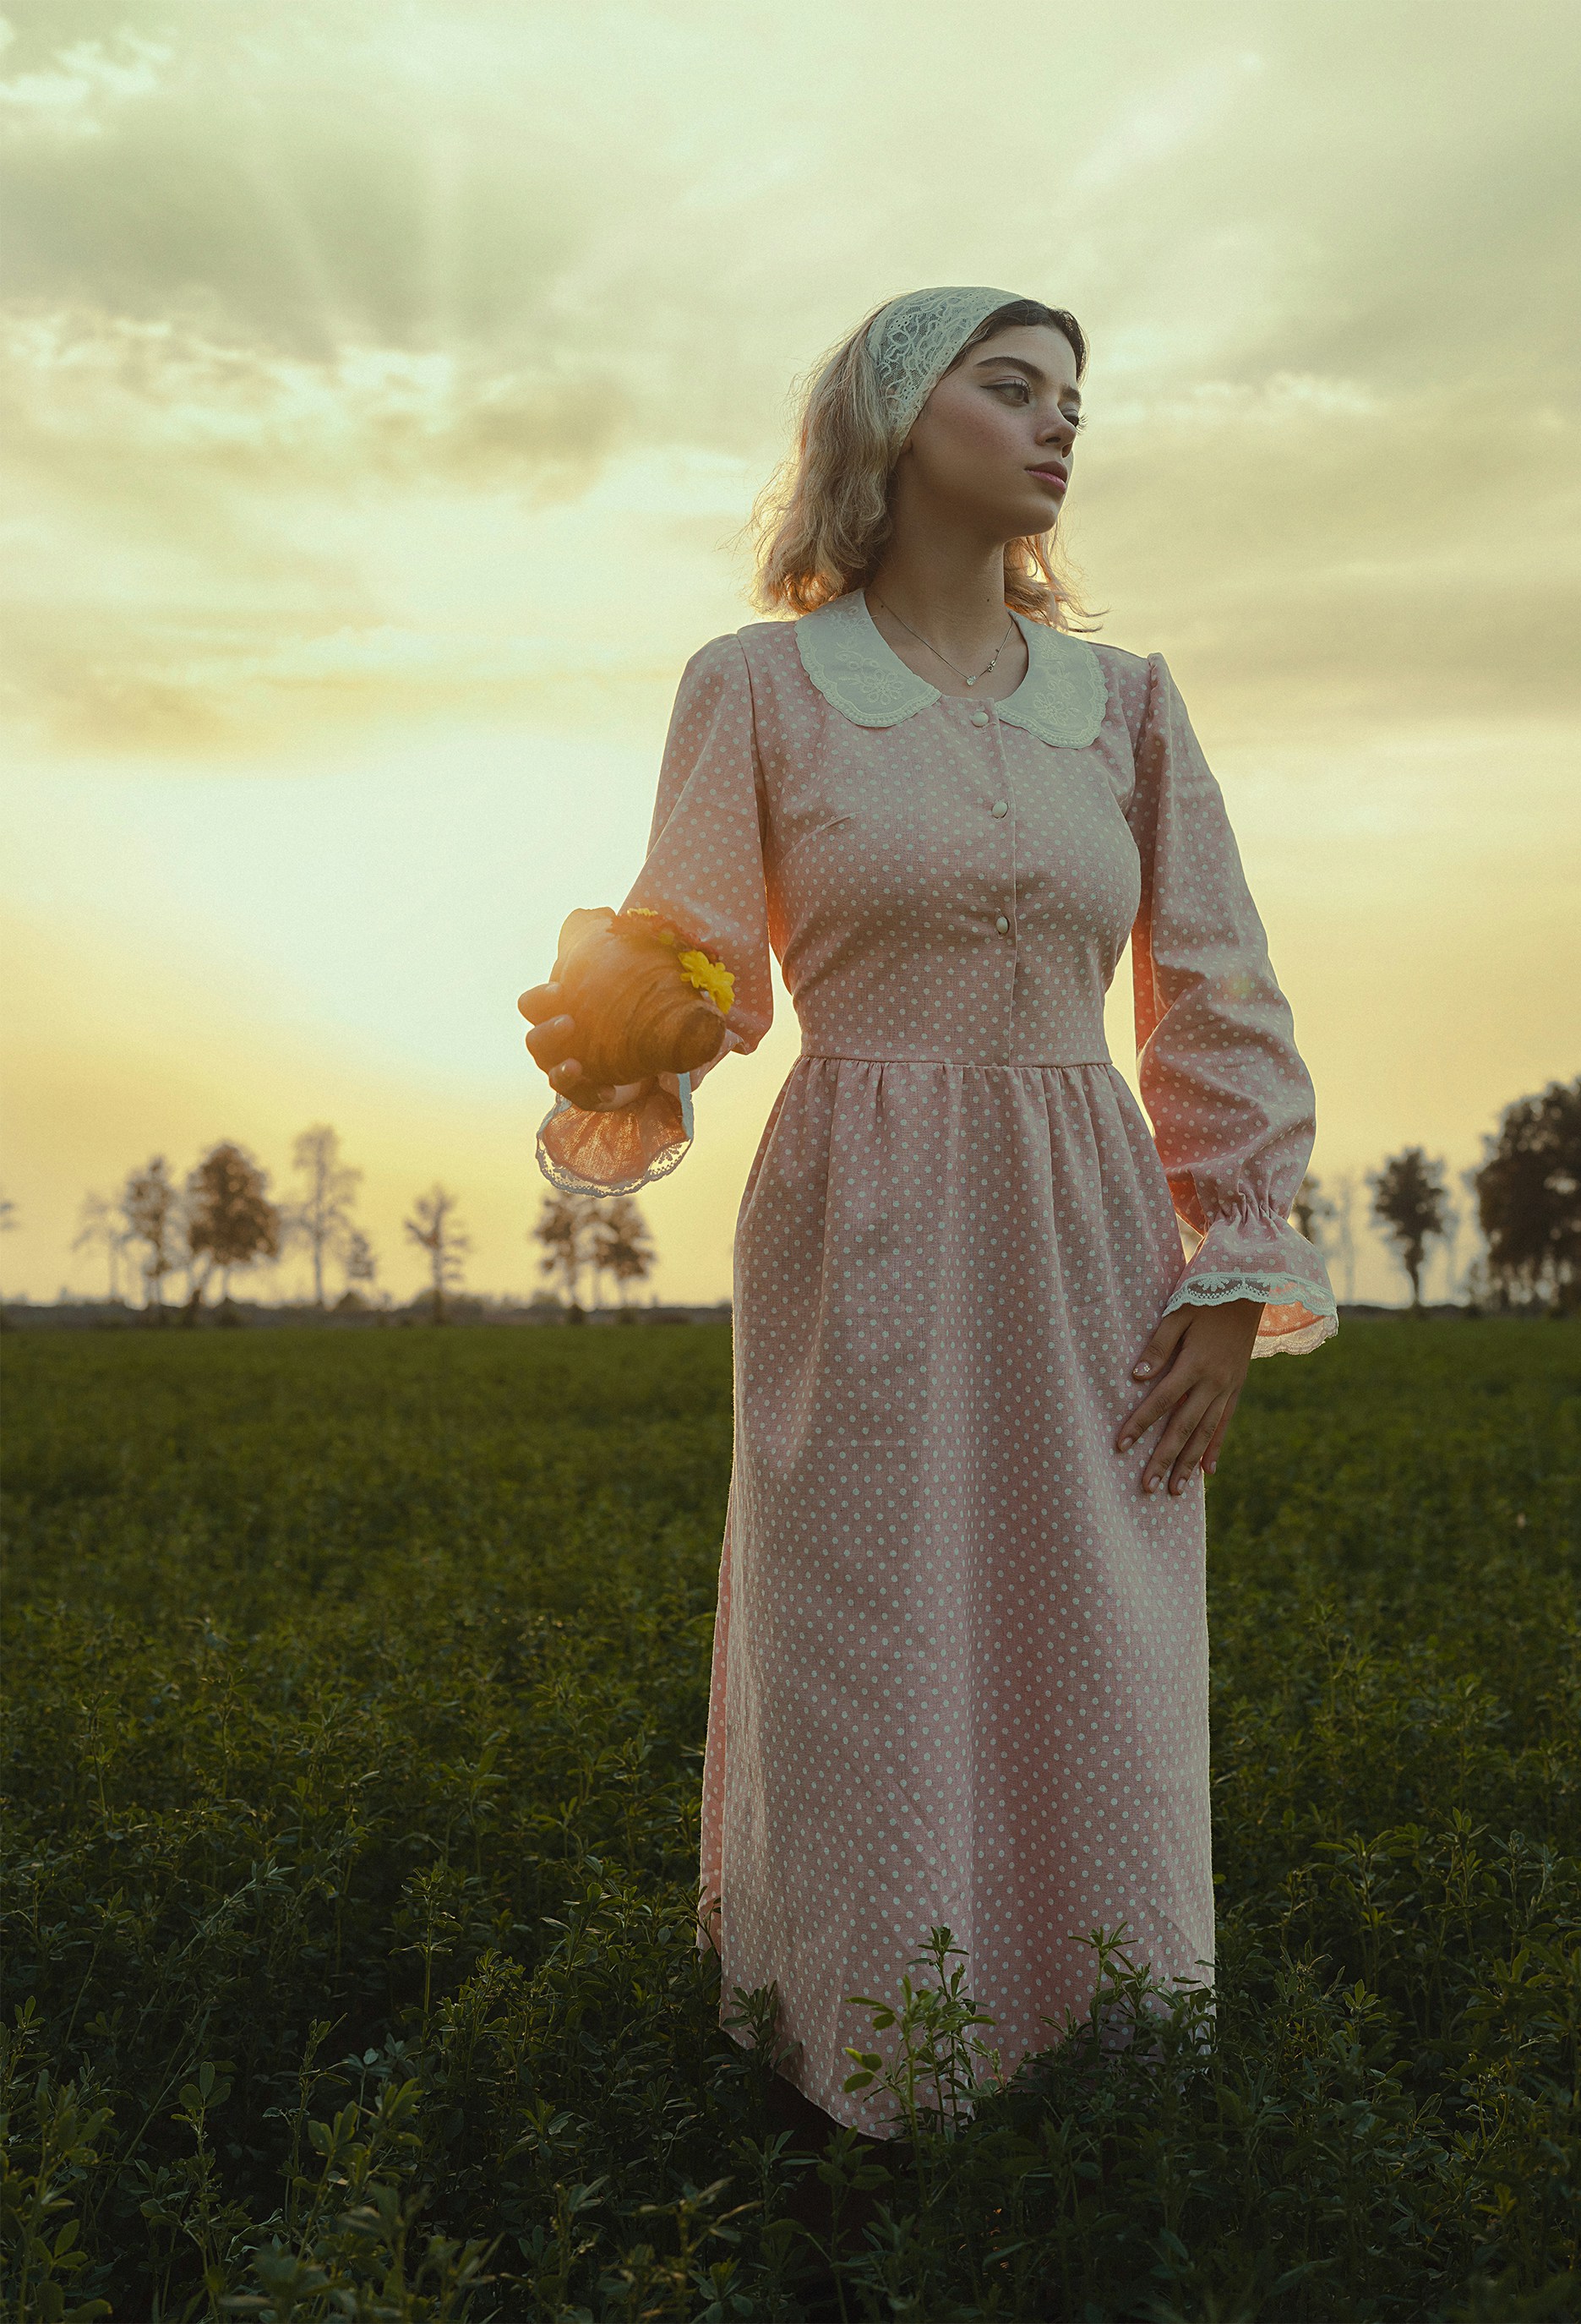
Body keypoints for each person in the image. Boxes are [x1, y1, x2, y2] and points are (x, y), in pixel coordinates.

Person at [516, 286, 1338, 2153]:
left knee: (1101, 1638)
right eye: (1010, 388)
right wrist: (629, 1012)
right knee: (866, 1631)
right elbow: (700, 962)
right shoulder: (755, 686)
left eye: (1072, 398)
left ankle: (1099, 2076)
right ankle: (873, 2092)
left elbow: (1213, 985)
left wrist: (1232, 1270)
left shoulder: (1124, 705)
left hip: (1084, 1216)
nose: (1058, 426)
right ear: (892, 423)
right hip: (858, 1211)